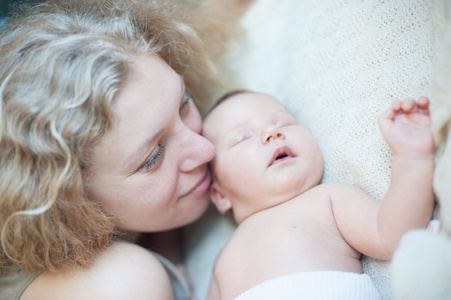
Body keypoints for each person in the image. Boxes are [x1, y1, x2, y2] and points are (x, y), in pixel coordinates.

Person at [0, 0, 224, 299]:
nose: (206, 149)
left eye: (184, 104)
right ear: (69, 201)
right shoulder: (120, 284)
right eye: (153, 157)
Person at [202, 91, 435, 300]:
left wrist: (413, 158)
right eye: (243, 137)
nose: (272, 132)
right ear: (220, 195)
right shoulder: (222, 259)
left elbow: (394, 234)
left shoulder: (328, 201)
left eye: (284, 123)